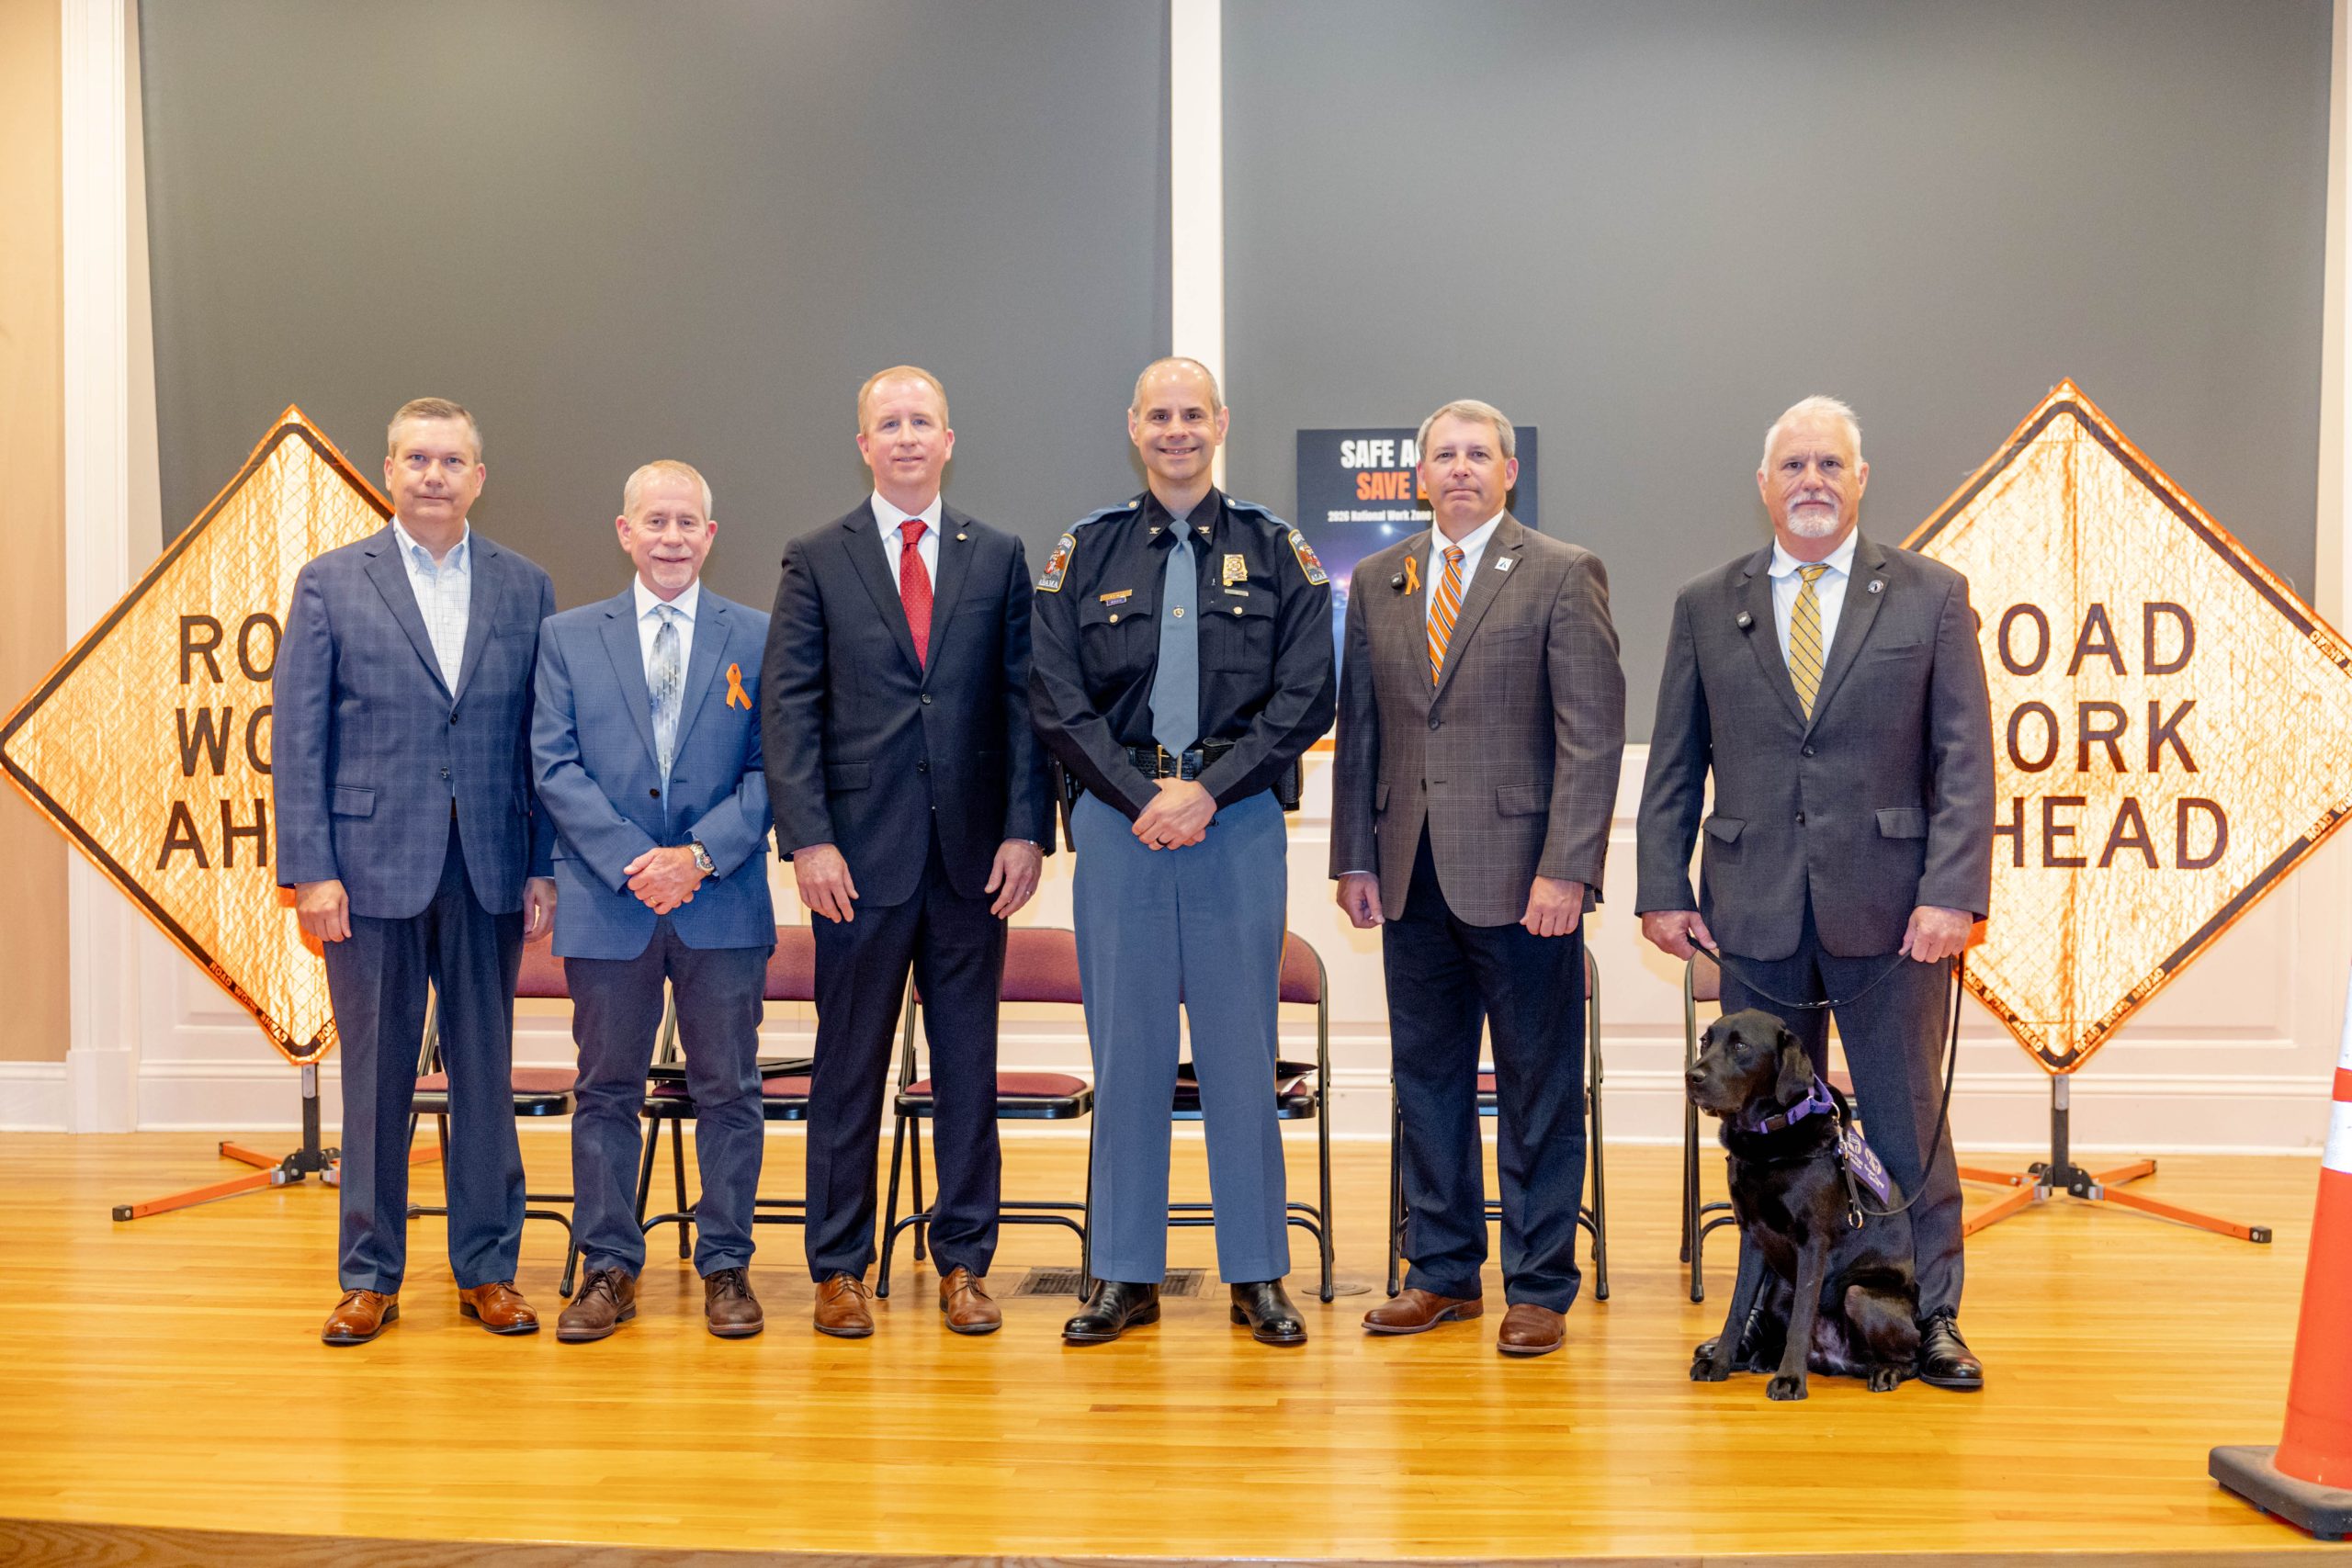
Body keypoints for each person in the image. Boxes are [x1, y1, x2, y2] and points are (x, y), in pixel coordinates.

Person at [1635, 394, 1994, 1390]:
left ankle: (1932, 1317)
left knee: (1903, 1121)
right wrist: (1662, 887)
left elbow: (1963, 760)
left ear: (1860, 479)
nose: (1810, 482)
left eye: (1829, 465)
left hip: (1895, 914)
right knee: (1762, 1135)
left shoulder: (1928, 595)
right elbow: (1674, 761)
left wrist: (1952, 890)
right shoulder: (1708, 603)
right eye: (1792, 466)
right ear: (1763, 485)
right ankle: (1756, 1321)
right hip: (1751, 906)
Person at [1031, 356, 1335, 1346]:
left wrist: (1204, 790)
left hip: (1235, 820)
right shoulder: (1085, 550)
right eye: (1158, 415)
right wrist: (1139, 798)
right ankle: (1123, 1272)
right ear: (1133, 426)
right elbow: (1054, 697)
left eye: (1191, 414)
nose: (1175, 430)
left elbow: (1305, 697)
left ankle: (1257, 1275)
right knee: (1127, 1055)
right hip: (1119, 827)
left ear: (1220, 424)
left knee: (1241, 1054)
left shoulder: (1277, 549)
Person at [1329, 399, 1625, 1358]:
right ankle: (1444, 1273)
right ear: (1418, 477)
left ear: (1507, 472)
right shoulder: (1379, 579)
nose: (1459, 469)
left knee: (1538, 1086)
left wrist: (1567, 869)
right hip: (1408, 876)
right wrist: (1354, 857)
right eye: (1442, 456)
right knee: (1428, 1082)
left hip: (1523, 884)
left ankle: (1538, 1285)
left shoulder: (1560, 572)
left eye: (1476, 455)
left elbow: (1590, 737)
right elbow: (1361, 734)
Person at [762, 366, 1051, 1338]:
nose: (906, 437)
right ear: (863, 444)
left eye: (921, 421)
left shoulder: (1000, 555)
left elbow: (1022, 705)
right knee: (848, 1068)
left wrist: (1025, 829)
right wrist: (807, 840)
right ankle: (839, 1267)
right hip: (853, 863)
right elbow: (790, 710)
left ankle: (965, 1261)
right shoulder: (816, 556)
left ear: (948, 438)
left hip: (974, 863)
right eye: (888, 423)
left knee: (967, 1066)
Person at [274, 397, 558, 1346]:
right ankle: (368, 1276)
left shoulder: (526, 587)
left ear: (479, 477)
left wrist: (543, 865)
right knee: (377, 1081)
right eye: (416, 460)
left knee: (485, 1076)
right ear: (388, 471)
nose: (433, 476)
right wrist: (311, 872)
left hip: (489, 870)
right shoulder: (329, 584)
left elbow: (539, 745)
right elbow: (300, 740)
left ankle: (489, 1270)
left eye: (452, 461)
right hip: (366, 875)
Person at [531, 460, 775, 1342]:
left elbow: (771, 770)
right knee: (604, 1091)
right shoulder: (565, 638)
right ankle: (606, 1268)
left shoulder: (757, 632)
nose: (671, 536)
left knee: (730, 1089)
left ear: (710, 536)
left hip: (723, 904)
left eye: (687, 523)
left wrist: (698, 858)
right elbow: (553, 765)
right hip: (610, 903)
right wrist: (642, 862)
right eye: (655, 521)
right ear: (625, 532)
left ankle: (726, 1265)